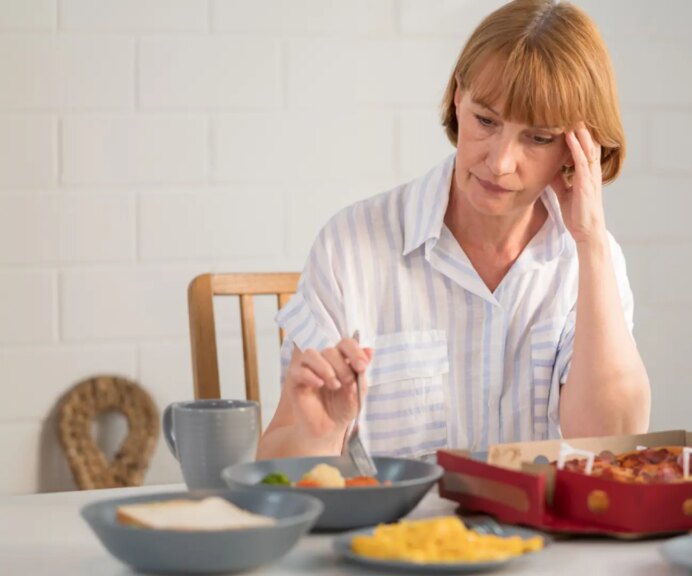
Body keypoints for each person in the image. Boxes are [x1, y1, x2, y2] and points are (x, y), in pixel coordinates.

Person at [256, 0, 650, 461]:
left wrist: (591, 242)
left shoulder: (588, 262)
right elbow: (276, 463)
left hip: (542, 535)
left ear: (575, 149)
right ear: (458, 98)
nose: (500, 162)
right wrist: (318, 435)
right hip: (396, 534)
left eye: (538, 137)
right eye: (486, 121)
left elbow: (611, 445)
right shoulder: (349, 246)